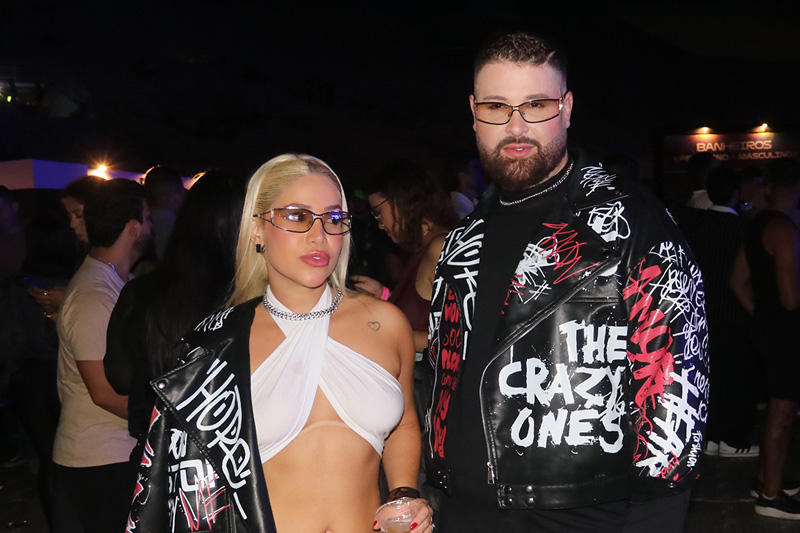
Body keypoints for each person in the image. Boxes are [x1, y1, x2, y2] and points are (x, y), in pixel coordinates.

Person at [424, 31, 709, 532]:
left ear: (568, 108)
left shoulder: (630, 222)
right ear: (473, 112)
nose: (516, 126)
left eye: (536, 105)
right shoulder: (463, 237)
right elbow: (445, 374)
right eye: (496, 106)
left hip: (578, 515)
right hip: (462, 509)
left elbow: (674, 397)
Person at [129, 154, 433, 532]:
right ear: (256, 229)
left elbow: (404, 424)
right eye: (297, 216)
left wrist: (403, 493)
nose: (319, 236)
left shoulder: (385, 323)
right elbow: (190, 483)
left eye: (333, 218)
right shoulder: (220, 343)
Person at [104, 169, 246, 467]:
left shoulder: (141, 292)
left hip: (159, 459)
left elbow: (120, 377)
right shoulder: (252, 297)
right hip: (236, 460)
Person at [52, 178, 152, 533]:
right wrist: (164, 420)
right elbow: (103, 392)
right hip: (98, 458)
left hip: (111, 452)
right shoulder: (94, 295)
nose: (152, 226)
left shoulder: (115, 282)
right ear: (133, 228)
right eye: (147, 218)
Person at [671, 166, 760, 457]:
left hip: (698, 315)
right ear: (737, 193)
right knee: (736, 380)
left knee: (706, 379)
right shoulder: (744, 229)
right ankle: (732, 440)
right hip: (733, 315)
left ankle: (709, 437)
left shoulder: (693, 222)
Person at [730, 157, 800, 520]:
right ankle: (771, 496)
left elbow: (736, 280)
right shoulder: (785, 230)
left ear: (770, 187)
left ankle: (766, 480)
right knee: (783, 414)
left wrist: (761, 315)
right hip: (788, 332)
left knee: (776, 409)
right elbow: (791, 299)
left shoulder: (756, 223)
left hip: (768, 329)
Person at [354, 159, 459, 354]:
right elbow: (425, 313)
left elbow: (457, 337)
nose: (379, 224)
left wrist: (382, 332)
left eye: (378, 212)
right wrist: (384, 295)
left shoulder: (441, 247)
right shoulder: (422, 249)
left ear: (401, 201)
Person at [27, 175, 104, 318]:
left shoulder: (116, 259)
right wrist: (52, 311)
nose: (72, 224)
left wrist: (68, 300)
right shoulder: (85, 253)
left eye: (79, 215)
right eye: (69, 217)